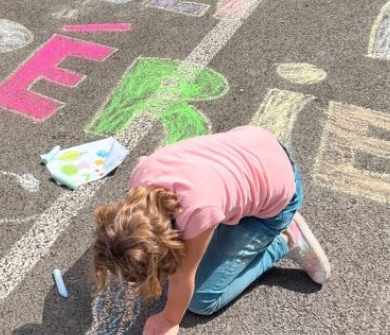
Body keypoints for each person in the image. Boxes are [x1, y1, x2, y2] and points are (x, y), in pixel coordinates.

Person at [91, 125, 330, 335]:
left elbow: (183, 277)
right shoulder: (140, 179)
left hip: (280, 195)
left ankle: (285, 239)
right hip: (256, 142)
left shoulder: (197, 212)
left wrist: (169, 319)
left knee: (201, 299)